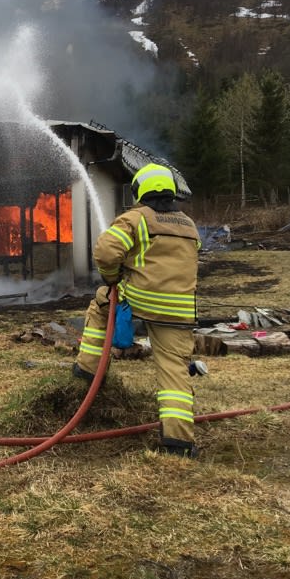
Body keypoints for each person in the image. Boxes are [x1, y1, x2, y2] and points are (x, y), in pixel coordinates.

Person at [73, 163, 202, 457]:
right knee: (175, 373)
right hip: (179, 310)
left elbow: (106, 251)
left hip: (141, 299)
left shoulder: (136, 218)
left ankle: (88, 371)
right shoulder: (189, 225)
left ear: (139, 191)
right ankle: (179, 444)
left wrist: (111, 278)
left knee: (101, 302)